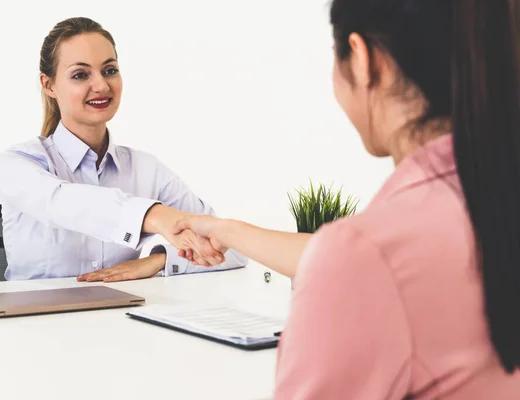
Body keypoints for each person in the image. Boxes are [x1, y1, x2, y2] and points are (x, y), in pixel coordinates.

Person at [173, 0, 520, 398]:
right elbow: (363, 264)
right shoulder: (478, 204)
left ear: (362, 59)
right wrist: (227, 230)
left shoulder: (371, 253)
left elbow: (365, 264)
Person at [0, 17, 247, 282]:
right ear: (49, 85)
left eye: (109, 70)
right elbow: (63, 202)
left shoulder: (147, 169)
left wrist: (159, 260)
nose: (102, 85)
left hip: (119, 319)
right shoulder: (17, 165)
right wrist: (154, 216)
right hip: (32, 319)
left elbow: (233, 248)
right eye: (80, 75)